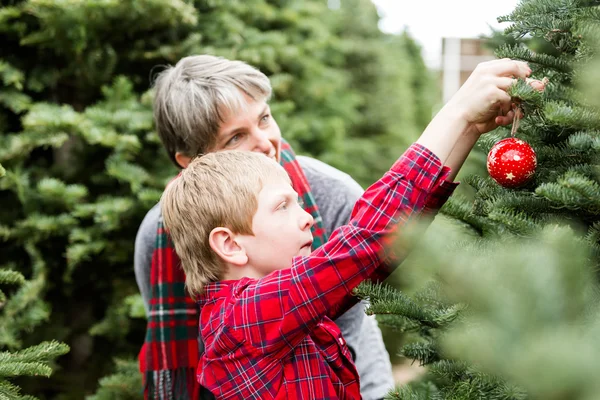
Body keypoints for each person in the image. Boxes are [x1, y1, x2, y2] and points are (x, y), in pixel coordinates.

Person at [157, 57, 544, 399]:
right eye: (282, 207)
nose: (306, 215)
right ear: (230, 244)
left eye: (263, 118)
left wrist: (471, 128)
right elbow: (362, 243)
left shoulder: (281, 309)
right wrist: (455, 112)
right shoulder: (244, 319)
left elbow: (380, 253)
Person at [135, 55, 393, 400]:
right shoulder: (158, 234)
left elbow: (342, 331)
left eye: (264, 118)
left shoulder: (333, 195)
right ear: (191, 160)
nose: (265, 142)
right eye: (235, 138)